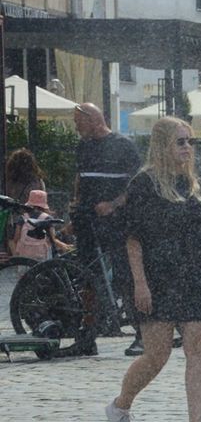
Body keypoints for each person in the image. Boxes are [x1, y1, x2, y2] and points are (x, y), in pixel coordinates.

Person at [103, 117, 201, 422]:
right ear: (163, 145)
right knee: (155, 356)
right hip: (157, 277)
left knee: (198, 351)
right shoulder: (144, 184)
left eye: (190, 141)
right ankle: (121, 405)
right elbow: (133, 239)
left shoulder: (193, 185)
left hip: (193, 278)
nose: (188, 148)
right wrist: (140, 284)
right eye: (181, 141)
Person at [71, 103, 143, 356]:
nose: (76, 126)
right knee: (88, 278)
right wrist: (76, 206)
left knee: (125, 276)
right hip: (88, 222)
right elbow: (80, 179)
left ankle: (141, 333)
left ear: (93, 119)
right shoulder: (83, 147)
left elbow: (137, 186)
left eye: (79, 121)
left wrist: (113, 204)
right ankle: (88, 337)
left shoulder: (123, 146)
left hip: (117, 222)